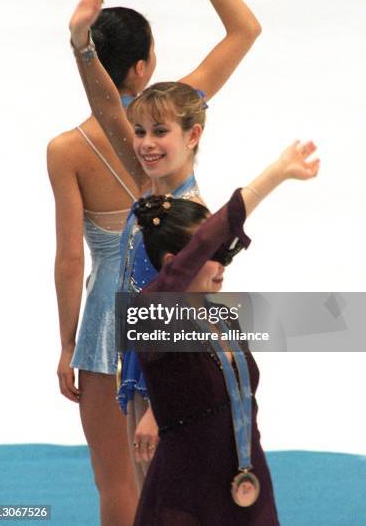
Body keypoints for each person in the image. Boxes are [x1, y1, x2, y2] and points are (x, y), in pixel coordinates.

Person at [49, 0, 262, 524]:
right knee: (152, 498)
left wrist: (153, 403)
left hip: (177, 371)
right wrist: (80, 46)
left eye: (156, 133)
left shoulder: (187, 217)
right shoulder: (148, 191)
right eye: (136, 133)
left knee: (176, 498)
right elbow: (111, 111)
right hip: (146, 367)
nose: (140, 142)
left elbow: (191, 309)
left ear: (192, 133)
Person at [130, 139, 320, 525]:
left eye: (225, 255)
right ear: (174, 263)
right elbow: (209, 236)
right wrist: (276, 173)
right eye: (213, 256)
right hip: (188, 492)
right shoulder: (150, 311)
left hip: (247, 481)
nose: (223, 264)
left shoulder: (224, 316)